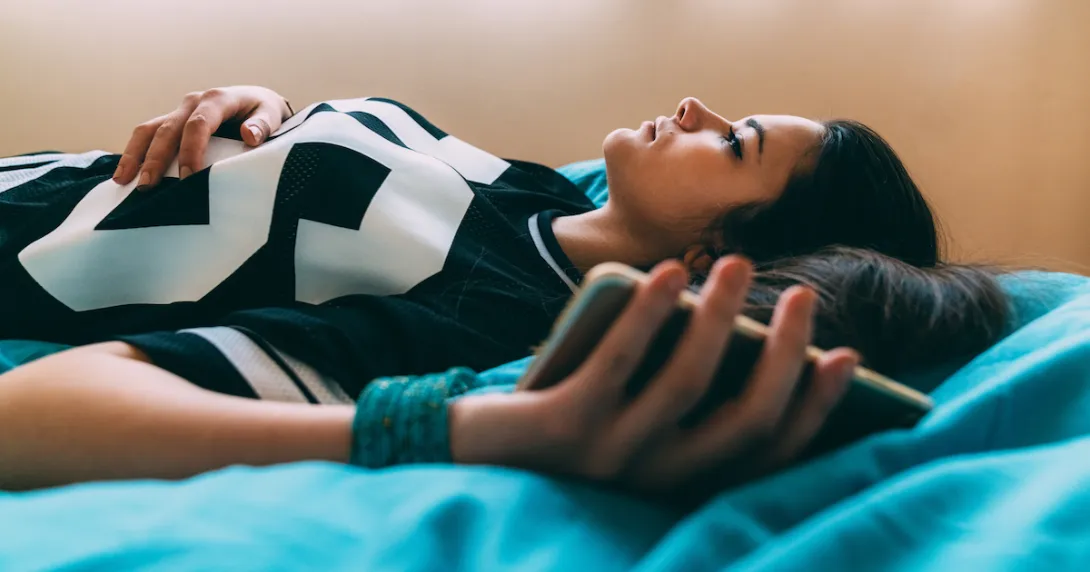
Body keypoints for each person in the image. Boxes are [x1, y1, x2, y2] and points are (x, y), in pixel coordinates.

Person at [0, 86, 1000, 491]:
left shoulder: (483, 311)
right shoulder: (532, 184)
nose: (696, 104)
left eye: (731, 144)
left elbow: (32, 411)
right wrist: (259, 107)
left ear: (715, 254)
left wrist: (456, 428)